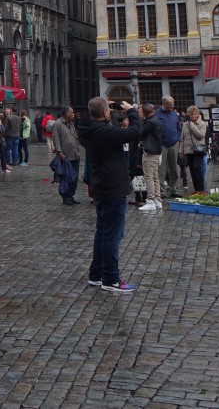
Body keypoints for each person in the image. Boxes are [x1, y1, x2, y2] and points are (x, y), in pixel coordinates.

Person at [77, 97, 142, 293]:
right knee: (112, 234)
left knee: (102, 232)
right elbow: (135, 131)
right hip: (113, 186)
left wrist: (103, 108)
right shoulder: (106, 132)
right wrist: (132, 111)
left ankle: (96, 275)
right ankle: (111, 278)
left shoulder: (88, 129)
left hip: (100, 186)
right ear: (105, 113)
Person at [53, 107, 82, 205]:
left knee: (74, 177)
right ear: (66, 113)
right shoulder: (58, 124)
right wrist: (59, 151)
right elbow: (56, 138)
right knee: (67, 177)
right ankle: (66, 197)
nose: (73, 113)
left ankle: (71, 195)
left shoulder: (71, 123)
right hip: (65, 155)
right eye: (71, 112)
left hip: (75, 154)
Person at [138, 103, 164, 211]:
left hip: (150, 152)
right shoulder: (156, 120)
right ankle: (157, 200)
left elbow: (140, 132)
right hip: (156, 152)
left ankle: (151, 200)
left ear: (143, 113)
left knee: (148, 177)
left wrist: (139, 120)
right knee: (154, 177)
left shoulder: (149, 123)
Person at [158, 97, 182, 198]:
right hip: (162, 144)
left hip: (173, 143)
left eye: (173, 103)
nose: (172, 106)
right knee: (161, 168)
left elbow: (178, 127)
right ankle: (161, 190)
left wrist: (177, 137)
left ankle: (174, 189)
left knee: (174, 168)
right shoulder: (157, 114)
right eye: (170, 104)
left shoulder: (174, 114)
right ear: (164, 104)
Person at [180, 106, 208, 194]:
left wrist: (193, 127)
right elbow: (182, 138)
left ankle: (201, 189)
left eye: (194, 114)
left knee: (197, 168)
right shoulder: (185, 124)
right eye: (191, 114)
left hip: (198, 149)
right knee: (192, 169)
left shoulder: (203, 124)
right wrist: (181, 151)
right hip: (188, 150)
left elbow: (200, 135)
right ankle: (196, 190)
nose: (193, 116)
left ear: (197, 114)